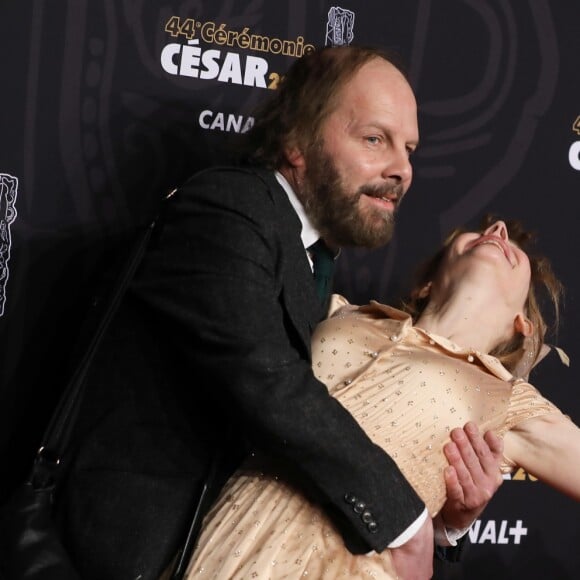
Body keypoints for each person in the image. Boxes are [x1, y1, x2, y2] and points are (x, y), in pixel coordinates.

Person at [57, 45, 502, 580]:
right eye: (374, 139)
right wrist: (404, 525)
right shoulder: (229, 207)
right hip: (136, 558)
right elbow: (267, 383)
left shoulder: (313, 255)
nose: (402, 170)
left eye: (409, 149)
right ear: (296, 142)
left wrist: (444, 522)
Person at [183, 217, 578, 579]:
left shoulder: (507, 397)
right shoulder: (338, 312)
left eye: (517, 251)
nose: (499, 228)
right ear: (425, 285)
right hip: (225, 533)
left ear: (522, 324)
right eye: (478, 233)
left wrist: (449, 524)